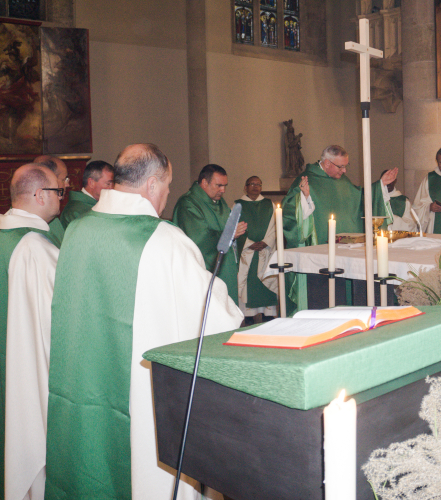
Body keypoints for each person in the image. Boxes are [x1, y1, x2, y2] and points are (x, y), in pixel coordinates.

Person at [45, 144, 243, 499]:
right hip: (140, 398)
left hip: (84, 382)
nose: (167, 196)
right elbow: (217, 320)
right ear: (152, 185)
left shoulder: (76, 230)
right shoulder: (165, 240)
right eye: (167, 186)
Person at [0, 164, 61, 500]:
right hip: (33, 369)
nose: (62, 197)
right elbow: (60, 318)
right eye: (59, 191)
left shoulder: (8, 236)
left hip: (16, 358)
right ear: (40, 195)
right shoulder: (35, 248)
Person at [281, 145, 397, 312]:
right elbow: (289, 214)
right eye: (340, 166)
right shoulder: (307, 180)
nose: (344, 171)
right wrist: (304, 199)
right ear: (327, 163)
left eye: (345, 166)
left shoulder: (342, 181)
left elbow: (361, 198)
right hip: (320, 255)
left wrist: (380, 185)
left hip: (347, 250)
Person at [173, 164, 248, 305]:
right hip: (206, 271)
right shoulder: (188, 204)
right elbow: (199, 238)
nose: (223, 190)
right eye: (219, 185)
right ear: (204, 183)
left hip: (226, 267)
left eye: (225, 186)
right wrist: (229, 235)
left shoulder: (219, 202)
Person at [235, 176, 278, 324]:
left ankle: (268, 314)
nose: (255, 187)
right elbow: (234, 227)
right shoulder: (237, 205)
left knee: (267, 279)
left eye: (259, 184)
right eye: (252, 184)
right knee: (248, 283)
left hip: (265, 250)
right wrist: (248, 243)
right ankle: (248, 315)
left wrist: (266, 242)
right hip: (247, 252)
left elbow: (275, 226)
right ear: (245, 187)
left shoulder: (269, 204)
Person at [59, 160, 114, 229]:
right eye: (108, 184)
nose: (112, 188)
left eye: (113, 184)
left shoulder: (100, 204)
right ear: (91, 183)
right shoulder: (74, 211)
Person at [34, 155, 69, 246]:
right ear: (50, 179)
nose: (67, 184)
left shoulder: (51, 217)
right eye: (64, 179)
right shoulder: (29, 231)